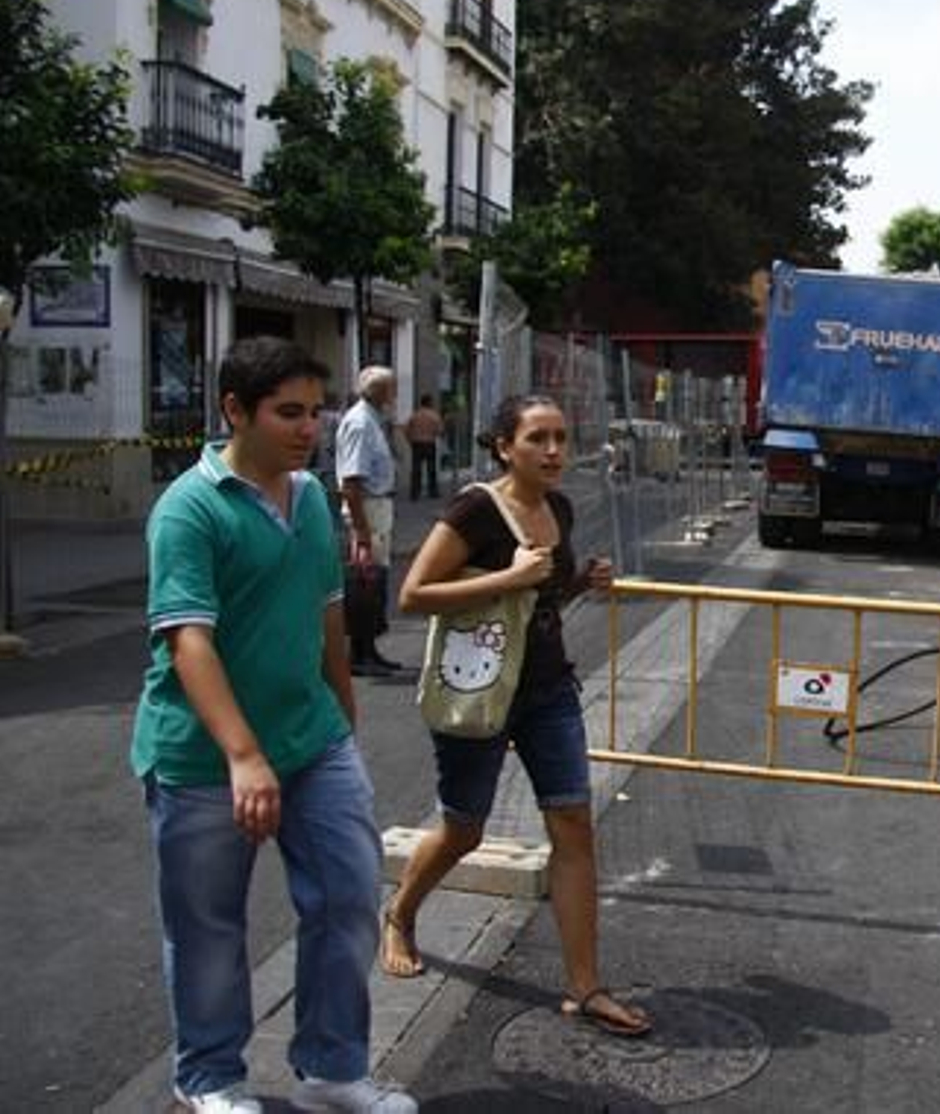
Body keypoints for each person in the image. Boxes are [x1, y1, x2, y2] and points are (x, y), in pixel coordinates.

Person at [131, 337, 415, 1114]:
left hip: (311, 739)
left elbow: (326, 609)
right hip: (201, 757)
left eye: (315, 411)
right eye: (289, 412)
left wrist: (342, 709)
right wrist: (244, 755)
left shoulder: (311, 496)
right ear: (234, 410)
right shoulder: (188, 508)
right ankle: (210, 1079)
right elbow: (187, 638)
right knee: (208, 927)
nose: (309, 428)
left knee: (349, 894)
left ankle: (331, 1069)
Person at [380, 394, 652, 1038]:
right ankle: (400, 913)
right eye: (538, 438)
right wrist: (505, 576)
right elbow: (414, 595)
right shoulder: (475, 508)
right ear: (505, 446)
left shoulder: (557, 506)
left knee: (574, 825)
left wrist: (581, 579)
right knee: (465, 828)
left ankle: (585, 986)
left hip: (547, 690)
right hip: (479, 690)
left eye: (560, 437)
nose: (554, 450)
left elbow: (541, 595)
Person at [337, 366, 399, 675]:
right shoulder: (361, 424)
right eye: (392, 388)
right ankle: (359, 653)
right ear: (381, 392)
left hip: (378, 505)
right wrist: (361, 531)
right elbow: (351, 481)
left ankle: (369, 648)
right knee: (366, 581)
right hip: (368, 507)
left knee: (376, 582)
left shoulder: (373, 420)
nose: (395, 394)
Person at [404, 393, 443, 501]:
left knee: (416, 469)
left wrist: (410, 440)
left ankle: (414, 493)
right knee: (431, 469)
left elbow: (406, 429)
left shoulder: (414, 415)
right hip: (429, 443)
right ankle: (433, 492)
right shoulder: (434, 416)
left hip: (416, 444)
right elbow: (440, 431)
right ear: (430, 403)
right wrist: (433, 434)